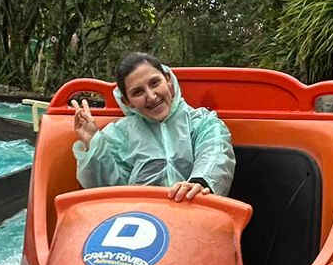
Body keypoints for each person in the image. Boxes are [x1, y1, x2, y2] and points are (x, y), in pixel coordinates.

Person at [72, 52, 235, 202]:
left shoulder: (203, 122)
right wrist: (94, 145)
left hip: (194, 208)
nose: (151, 96)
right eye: (138, 92)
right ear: (127, 101)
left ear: (168, 80)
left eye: (155, 83)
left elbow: (215, 154)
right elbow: (107, 192)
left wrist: (199, 183)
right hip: (138, 215)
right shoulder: (119, 134)